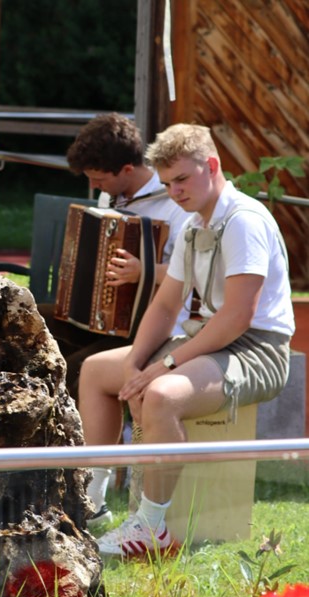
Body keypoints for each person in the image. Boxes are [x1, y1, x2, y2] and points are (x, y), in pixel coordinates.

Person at [78, 123, 294, 558]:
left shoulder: (244, 220)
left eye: (181, 180)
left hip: (258, 350)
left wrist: (164, 367)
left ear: (211, 166)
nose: (174, 192)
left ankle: (151, 526)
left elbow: (238, 316)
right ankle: (90, 503)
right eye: (166, 184)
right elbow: (165, 304)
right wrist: (136, 363)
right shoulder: (196, 224)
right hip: (211, 340)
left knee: (162, 395)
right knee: (97, 370)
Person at [38, 113, 191, 520]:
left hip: (155, 326)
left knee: (74, 368)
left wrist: (143, 272)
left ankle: (88, 493)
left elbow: (191, 275)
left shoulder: (177, 206)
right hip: (107, 319)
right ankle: (44, 468)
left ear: (126, 169)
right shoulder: (114, 199)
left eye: (99, 178)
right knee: (34, 332)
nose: (94, 187)